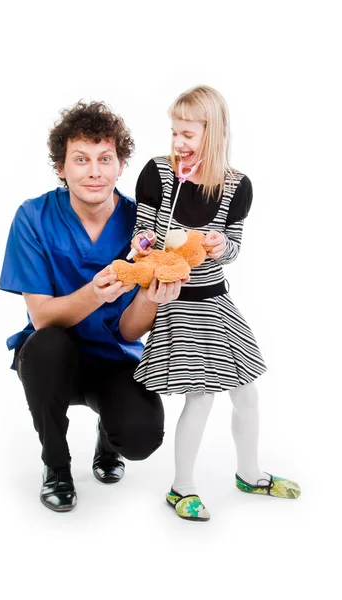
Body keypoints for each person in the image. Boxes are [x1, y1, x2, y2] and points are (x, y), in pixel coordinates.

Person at [0, 101, 183, 512]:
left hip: (114, 357)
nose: (94, 171)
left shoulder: (144, 228)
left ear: (120, 166)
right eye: (80, 159)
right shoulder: (33, 217)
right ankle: (56, 466)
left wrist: (151, 297)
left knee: (141, 437)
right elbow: (42, 317)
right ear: (61, 168)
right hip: (52, 357)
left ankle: (108, 436)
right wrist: (95, 293)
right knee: (46, 346)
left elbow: (133, 332)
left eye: (105, 158)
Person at [129, 85, 301, 521]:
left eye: (188, 134)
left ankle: (249, 473)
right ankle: (180, 488)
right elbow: (140, 237)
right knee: (201, 396)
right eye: (174, 133)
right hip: (177, 301)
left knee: (247, 393)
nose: (178, 143)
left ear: (215, 132)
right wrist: (148, 243)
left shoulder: (236, 186)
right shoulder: (158, 174)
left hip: (216, 300)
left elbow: (234, 247)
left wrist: (220, 243)